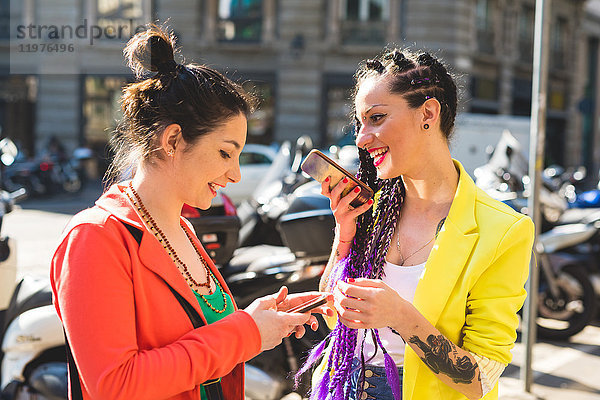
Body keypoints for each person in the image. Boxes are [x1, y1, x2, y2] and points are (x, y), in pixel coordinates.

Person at [50, 24, 330, 400]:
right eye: (225, 153)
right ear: (173, 140)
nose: (235, 173)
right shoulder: (95, 238)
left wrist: (261, 318)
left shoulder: (181, 228)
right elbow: (116, 385)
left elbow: (200, 340)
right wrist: (247, 331)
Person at [301, 49, 534, 400]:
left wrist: (399, 315)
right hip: (343, 386)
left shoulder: (503, 231)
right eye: (359, 124)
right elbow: (334, 318)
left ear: (428, 113)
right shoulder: (373, 209)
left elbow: (479, 381)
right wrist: (343, 238)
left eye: (376, 118)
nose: (362, 138)